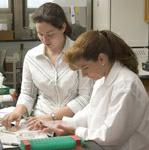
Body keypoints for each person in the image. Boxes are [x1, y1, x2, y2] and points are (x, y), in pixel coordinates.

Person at [41, 30, 149, 150]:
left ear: (102, 59)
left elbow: (110, 137)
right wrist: (58, 123)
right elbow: (90, 114)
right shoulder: (102, 80)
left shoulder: (125, 85)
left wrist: (75, 130)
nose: (83, 74)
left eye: (85, 67)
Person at [1, 2, 93, 130]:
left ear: (62, 27)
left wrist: (52, 117)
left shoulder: (80, 54)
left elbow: (85, 97)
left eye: (50, 34)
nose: (45, 40)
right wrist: (19, 111)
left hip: (71, 124)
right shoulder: (32, 57)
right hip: (38, 122)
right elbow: (28, 94)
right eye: (40, 34)